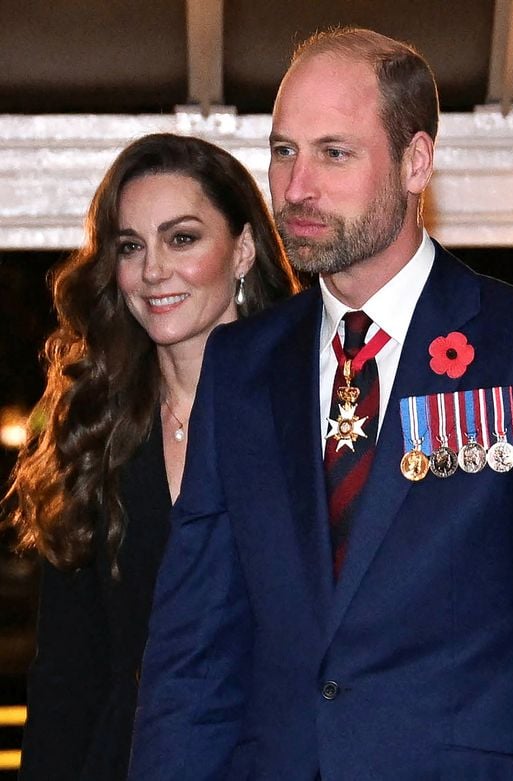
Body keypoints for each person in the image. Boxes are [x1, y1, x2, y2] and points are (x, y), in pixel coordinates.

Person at [129, 29, 513, 781]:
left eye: (334, 153)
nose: (297, 186)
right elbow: (193, 648)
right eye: (282, 151)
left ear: (416, 162)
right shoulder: (241, 366)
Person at [4, 132, 299, 781]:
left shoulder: (312, 420)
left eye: (182, 237)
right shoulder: (95, 432)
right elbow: (66, 675)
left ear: (243, 249)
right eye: (131, 246)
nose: (153, 269)